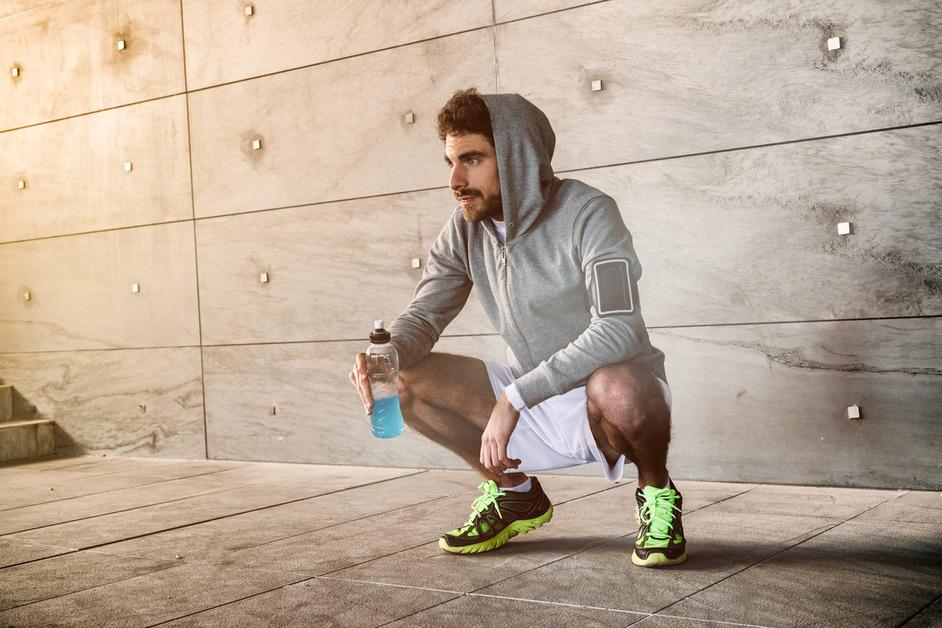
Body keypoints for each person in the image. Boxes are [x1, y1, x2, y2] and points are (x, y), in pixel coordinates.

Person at [349, 88, 686, 567]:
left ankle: (657, 495)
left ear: (516, 156)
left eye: (472, 160)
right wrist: (383, 359)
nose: (455, 179)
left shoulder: (588, 212)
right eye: (450, 161)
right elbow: (424, 317)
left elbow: (619, 328)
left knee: (620, 386)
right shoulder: (465, 228)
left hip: (603, 398)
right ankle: (515, 494)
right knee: (402, 381)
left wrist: (514, 398)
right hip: (531, 397)